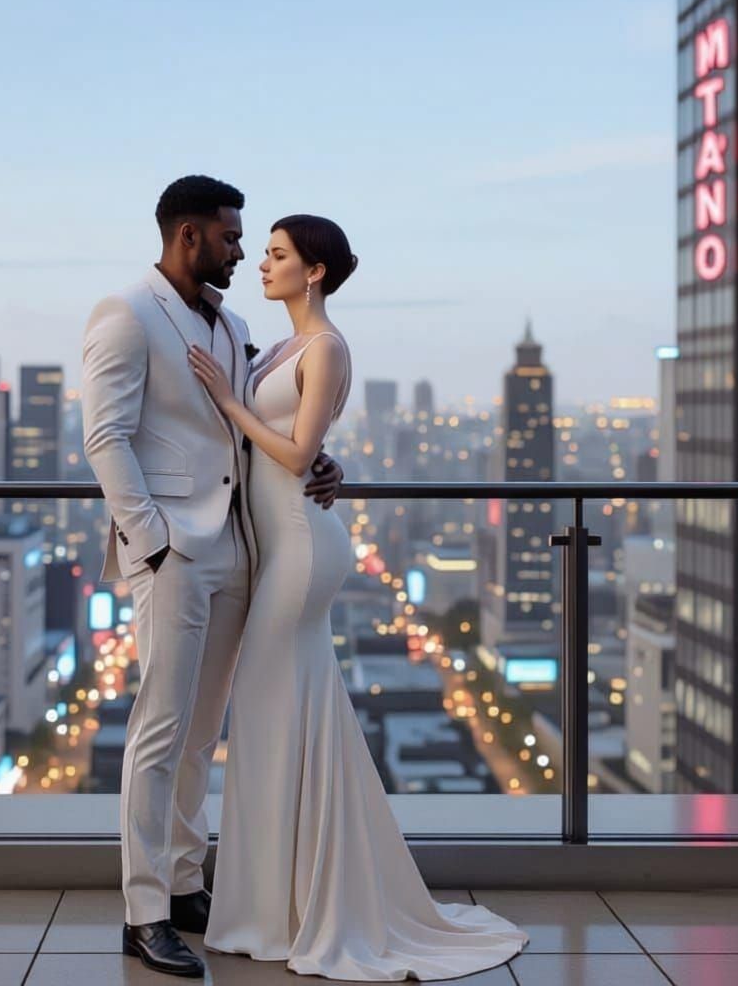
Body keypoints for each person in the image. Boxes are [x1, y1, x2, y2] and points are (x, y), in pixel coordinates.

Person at [188, 214, 530, 981]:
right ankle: (281, 901)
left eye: (277, 254)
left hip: (304, 550)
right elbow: (301, 448)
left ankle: (287, 907)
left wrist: (232, 404)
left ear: (313, 271)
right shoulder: (278, 347)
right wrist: (300, 445)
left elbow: (295, 453)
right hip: (280, 544)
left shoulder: (327, 347)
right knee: (283, 718)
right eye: (264, 252)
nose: (262, 264)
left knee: (273, 713)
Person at [81, 177, 343, 978]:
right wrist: (152, 542)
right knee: (160, 731)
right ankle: (144, 913)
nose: (241, 251)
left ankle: (185, 881)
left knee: (201, 734)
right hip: (173, 553)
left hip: (237, 547)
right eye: (231, 238)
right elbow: (105, 437)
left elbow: (255, 430)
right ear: (188, 234)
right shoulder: (127, 312)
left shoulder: (233, 326)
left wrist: (321, 462)